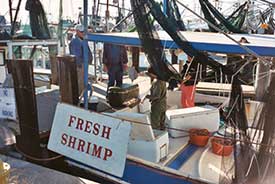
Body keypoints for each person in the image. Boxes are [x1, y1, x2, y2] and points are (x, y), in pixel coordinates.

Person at [69, 24, 92, 96]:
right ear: (77, 32)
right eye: (81, 32)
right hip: (80, 65)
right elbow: (76, 55)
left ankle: (82, 96)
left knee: (83, 82)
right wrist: (79, 65)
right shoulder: (74, 42)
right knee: (80, 82)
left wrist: (90, 60)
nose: (83, 33)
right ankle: (79, 97)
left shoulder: (83, 40)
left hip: (84, 64)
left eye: (84, 32)